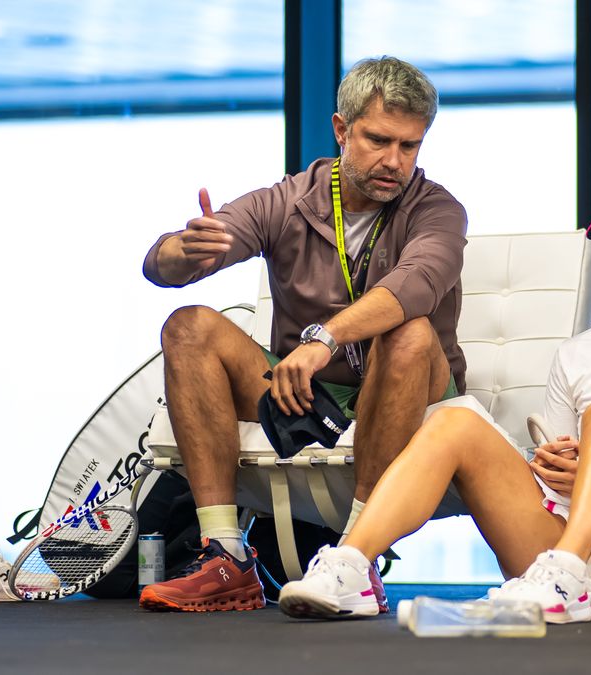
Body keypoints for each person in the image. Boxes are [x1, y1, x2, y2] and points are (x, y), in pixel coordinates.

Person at [277, 194, 591, 622]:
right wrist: (562, 471)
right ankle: (351, 565)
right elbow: (555, 466)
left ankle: (566, 574)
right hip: (564, 548)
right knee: (454, 418)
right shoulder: (579, 352)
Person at [137, 57, 467, 613]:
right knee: (189, 325)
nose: (394, 162)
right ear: (341, 130)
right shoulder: (288, 200)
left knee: (408, 332)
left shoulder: (437, 209)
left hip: (413, 382)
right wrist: (182, 252)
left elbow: (416, 285)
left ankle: (354, 561)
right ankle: (225, 556)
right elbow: (162, 266)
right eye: (379, 140)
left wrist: (323, 339)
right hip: (309, 391)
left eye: (409, 146)